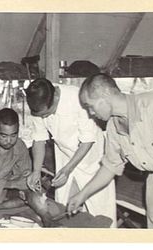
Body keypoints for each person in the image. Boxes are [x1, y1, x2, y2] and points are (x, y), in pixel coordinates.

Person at [69, 73, 153, 229]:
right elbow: (110, 166)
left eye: (90, 106)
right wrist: (82, 195)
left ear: (105, 94)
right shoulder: (113, 126)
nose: (91, 113)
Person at [25, 78, 116, 225]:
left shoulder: (78, 100)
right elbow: (39, 138)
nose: (42, 117)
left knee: (101, 214)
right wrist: (35, 170)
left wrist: (68, 170)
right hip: (65, 157)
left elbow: (88, 140)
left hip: (92, 159)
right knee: (64, 211)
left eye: (46, 114)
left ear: (55, 98)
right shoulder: (38, 102)